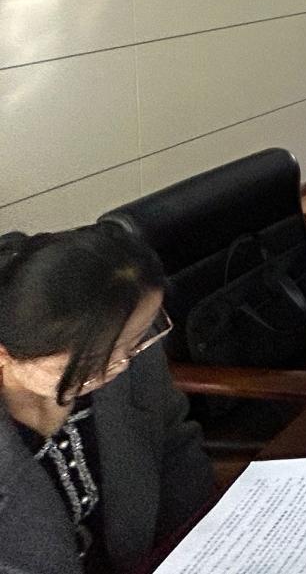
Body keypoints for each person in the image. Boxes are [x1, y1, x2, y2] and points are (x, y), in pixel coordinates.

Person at [0, 225, 214, 574]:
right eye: (92, 362)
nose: (123, 365)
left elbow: (176, 453)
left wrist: (199, 545)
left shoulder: (125, 348)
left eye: (137, 339)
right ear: (5, 356)